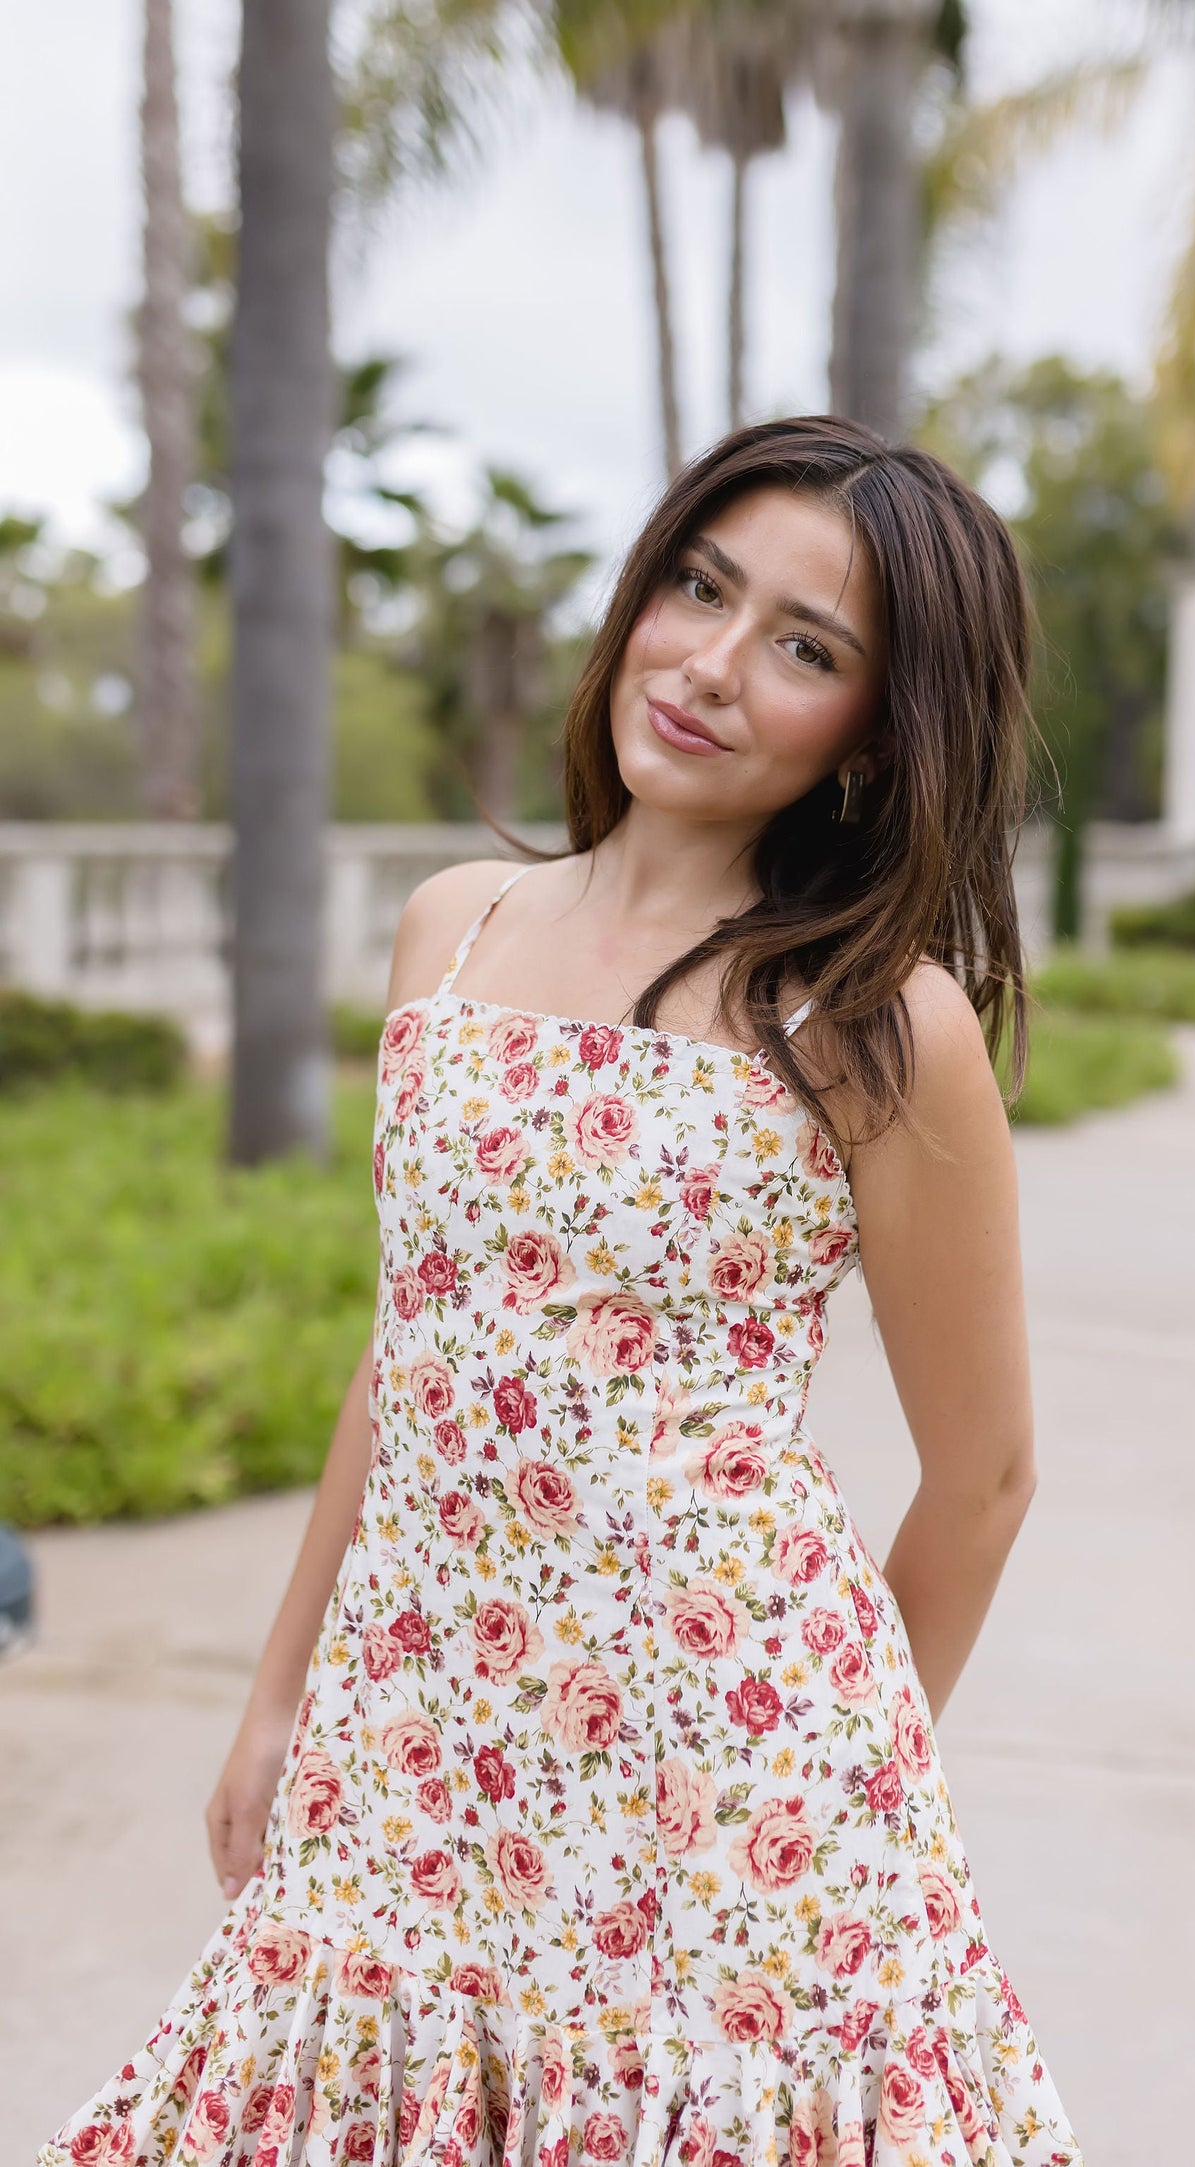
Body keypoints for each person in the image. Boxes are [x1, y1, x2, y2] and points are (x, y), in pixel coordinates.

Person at [40, 416, 1083, 2167]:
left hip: (729, 1789)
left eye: (804, 648)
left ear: (876, 737)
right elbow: (420, 1343)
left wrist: (817, 1807)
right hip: (416, 1743)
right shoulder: (451, 928)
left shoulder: (875, 1020)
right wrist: (282, 1691)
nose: (711, 665)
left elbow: (982, 1480)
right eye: (699, 586)